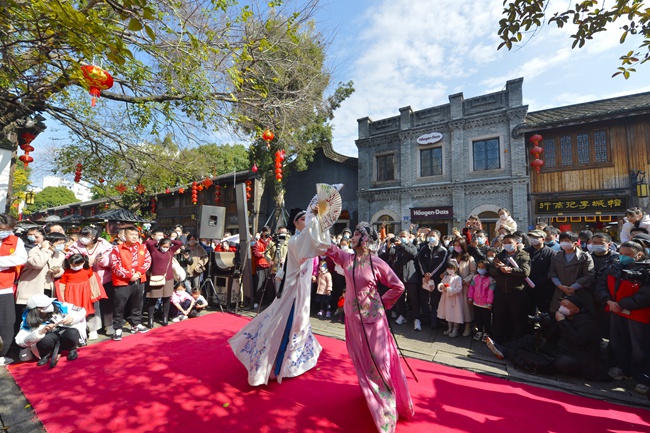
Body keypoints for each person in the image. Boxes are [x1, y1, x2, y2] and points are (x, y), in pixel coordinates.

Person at [326, 222, 414, 433]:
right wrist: (320, 224)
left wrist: (381, 301)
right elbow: (328, 248)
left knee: (379, 363)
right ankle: (370, 393)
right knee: (362, 360)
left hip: (374, 322)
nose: (352, 237)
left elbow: (398, 286)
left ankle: (386, 407)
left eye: (357, 234)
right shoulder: (346, 258)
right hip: (352, 319)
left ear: (365, 239)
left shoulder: (377, 263)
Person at [229, 206, 331, 386]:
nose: (306, 222)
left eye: (307, 219)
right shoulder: (296, 241)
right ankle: (274, 367)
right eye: (302, 219)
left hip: (302, 291)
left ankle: (290, 363)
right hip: (293, 293)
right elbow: (316, 244)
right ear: (295, 223)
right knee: (285, 326)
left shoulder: (303, 240)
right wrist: (318, 219)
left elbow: (322, 247)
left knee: (298, 324)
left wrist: (320, 220)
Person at [486, 295, 609, 381]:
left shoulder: (587, 323)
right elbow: (550, 336)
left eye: (565, 305)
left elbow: (578, 340)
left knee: (563, 363)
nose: (562, 307)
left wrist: (562, 322)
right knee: (530, 339)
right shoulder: (563, 316)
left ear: (575, 310)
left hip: (577, 355)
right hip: (559, 348)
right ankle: (503, 349)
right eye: (561, 304)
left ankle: (522, 356)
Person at [595, 240, 650, 395]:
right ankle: (620, 368)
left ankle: (642, 378)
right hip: (616, 310)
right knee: (618, 341)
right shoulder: (614, 266)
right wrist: (608, 300)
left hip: (637, 314)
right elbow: (601, 285)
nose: (623, 257)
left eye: (628, 255)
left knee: (640, 347)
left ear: (638, 255)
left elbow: (646, 295)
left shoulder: (647, 269)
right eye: (621, 254)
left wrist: (623, 303)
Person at [15, 294, 86, 368]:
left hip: (64, 334)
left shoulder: (61, 306)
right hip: (49, 341)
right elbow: (20, 341)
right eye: (45, 305)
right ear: (37, 309)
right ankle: (45, 355)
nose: (50, 305)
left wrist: (73, 318)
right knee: (46, 339)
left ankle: (72, 349)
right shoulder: (26, 321)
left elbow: (81, 311)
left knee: (72, 333)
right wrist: (40, 332)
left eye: (49, 303)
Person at [15, 233, 66, 335]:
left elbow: (61, 270)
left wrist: (57, 271)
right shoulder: (35, 250)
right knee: (27, 318)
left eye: (63, 243)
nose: (62, 245)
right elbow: (38, 263)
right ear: (50, 243)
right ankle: (22, 343)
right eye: (59, 243)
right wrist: (47, 250)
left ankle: (40, 341)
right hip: (31, 288)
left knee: (43, 317)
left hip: (47, 288)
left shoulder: (60, 254)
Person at [68, 225, 114, 335]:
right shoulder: (75, 246)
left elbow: (110, 262)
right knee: (91, 304)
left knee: (107, 304)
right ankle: (93, 328)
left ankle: (109, 325)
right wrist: (85, 263)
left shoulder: (105, 246)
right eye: (81, 235)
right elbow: (70, 260)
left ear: (93, 236)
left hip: (104, 278)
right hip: (85, 279)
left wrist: (100, 261)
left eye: (86, 235)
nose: (83, 238)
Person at [110, 226, 152, 341]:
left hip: (139, 279)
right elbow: (115, 265)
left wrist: (138, 274)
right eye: (131, 234)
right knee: (119, 305)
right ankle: (117, 328)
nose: (134, 237)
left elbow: (148, 261)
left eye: (136, 234)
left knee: (138, 303)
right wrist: (129, 275)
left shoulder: (142, 247)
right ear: (124, 236)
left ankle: (136, 323)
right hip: (122, 281)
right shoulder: (117, 249)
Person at [488, 234, 531, 344]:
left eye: (510, 242)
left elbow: (525, 272)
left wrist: (510, 270)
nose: (507, 245)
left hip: (516, 291)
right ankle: (498, 341)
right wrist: (500, 270)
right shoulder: (500, 255)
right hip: (501, 291)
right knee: (499, 317)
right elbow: (492, 269)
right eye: (505, 242)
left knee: (518, 318)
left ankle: (518, 343)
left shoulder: (523, 256)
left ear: (516, 243)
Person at [58, 253, 107, 340]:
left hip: (85, 294)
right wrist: (63, 299)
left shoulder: (88, 270)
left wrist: (94, 295)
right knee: (74, 313)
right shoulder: (67, 272)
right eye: (73, 265)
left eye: (78, 264)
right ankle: (79, 332)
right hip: (71, 295)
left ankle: (92, 330)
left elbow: (93, 283)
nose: (76, 266)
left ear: (83, 262)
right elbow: (62, 286)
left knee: (89, 312)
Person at [0, 213, 28, 365]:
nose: (5, 232)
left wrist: (1, 262)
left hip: (4, 288)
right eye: (2, 229)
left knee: (6, 323)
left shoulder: (15, 241)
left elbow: (21, 258)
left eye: (8, 229)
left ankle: (2, 353)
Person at [548, 231, 595, 314]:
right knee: (558, 315)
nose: (563, 243)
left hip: (579, 292)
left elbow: (589, 275)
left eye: (566, 241)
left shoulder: (585, 256)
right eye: (562, 241)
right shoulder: (556, 255)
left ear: (575, 243)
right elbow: (552, 273)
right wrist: (560, 286)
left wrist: (574, 287)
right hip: (560, 291)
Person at [144, 235, 183, 328]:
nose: (165, 248)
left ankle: (165, 317)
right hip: (155, 278)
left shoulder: (171, 251)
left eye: (167, 246)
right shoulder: (154, 251)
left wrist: (170, 240)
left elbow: (179, 243)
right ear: (160, 245)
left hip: (168, 278)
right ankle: (150, 318)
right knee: (152, 299)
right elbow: (148, 242)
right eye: (163, 246)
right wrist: (158, 241)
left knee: (166, 299)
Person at [417, 230, 448, 329]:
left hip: (436, 278)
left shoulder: (442, 250)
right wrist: (425, 273)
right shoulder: (424, 248)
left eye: (433, 236)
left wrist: (431, 274)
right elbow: (420, 261)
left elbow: (441, 264)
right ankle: (426, 317)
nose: (431, 238)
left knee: (435, 299)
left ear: (438, 237)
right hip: (425, 278)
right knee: (424, 298)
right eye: (429, 236)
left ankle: (435, 320)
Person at [389, 230, 419, 329]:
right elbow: (391, 254)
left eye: (404, 236)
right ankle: (402, 315)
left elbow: (413, 253)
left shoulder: (412, 246)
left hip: (410, 277)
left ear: (408, 237)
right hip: (399, 276)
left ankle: (416, 319)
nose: (402, 238)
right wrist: (390, 245)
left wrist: (402, 245)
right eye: (400, 236)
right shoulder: (398, 248)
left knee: (413, 298)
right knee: (400, 298)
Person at [450, 236, 476, 336]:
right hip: (454, 285)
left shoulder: (469, 258)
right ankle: (455, 326)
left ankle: (468, 325)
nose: (457, 247)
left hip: (465, 285)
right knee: (456, 306)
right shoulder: (452, 257)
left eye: (459, 245)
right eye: (455, 245)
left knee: (466, 307)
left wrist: (466, 280)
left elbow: (473, 272)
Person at [524, 229, 555, 314]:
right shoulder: (525, 251)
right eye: (531, 237)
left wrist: (538, 282)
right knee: (528, 313)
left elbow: (551, 271)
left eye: (535, 237)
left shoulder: (551, 253)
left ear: (543, 239)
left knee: (545, 313)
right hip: (527, 288)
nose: (532, 239)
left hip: (544, 289)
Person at [468, 260, 495, 342]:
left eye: (483, 267)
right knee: (478, 318)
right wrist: (470, 297)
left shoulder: (491, 280)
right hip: (476, 302)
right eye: (479, 267)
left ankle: (487, 332)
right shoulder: (475, 277)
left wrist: (490, 303)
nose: (480, 269)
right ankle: (479, 331)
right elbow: (471, 288)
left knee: (486, 319)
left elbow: (491, 292)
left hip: (486, 304)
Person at [437, 260, 464, 337]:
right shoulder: (446, 277)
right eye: (448, 268)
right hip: (446, 298)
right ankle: (449, 328)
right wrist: (441, 286)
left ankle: (455, 329)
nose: (449, 270)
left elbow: (459, 289)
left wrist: (448, 289)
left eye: (451, 268)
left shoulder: (458, 278)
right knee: (448, 313)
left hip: (455, 299)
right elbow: (442, 283)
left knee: (455, 314)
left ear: (455, 269)